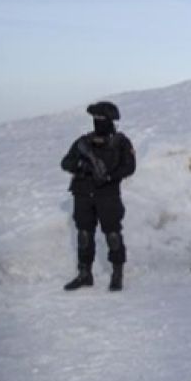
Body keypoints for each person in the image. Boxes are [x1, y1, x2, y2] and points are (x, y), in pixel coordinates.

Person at [60, 101, 136, 292]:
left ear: (111, 121)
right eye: (96, 119)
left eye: (102, 119)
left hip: (107, 195)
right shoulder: (84, 142)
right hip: (83, 194)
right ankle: (85, 274)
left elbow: (130, 166)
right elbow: (66, 162)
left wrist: (110, 176)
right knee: (84, 234)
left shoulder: (120, 142)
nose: (98, 123)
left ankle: (117, 275)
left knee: (113, 235)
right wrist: (82, 167)